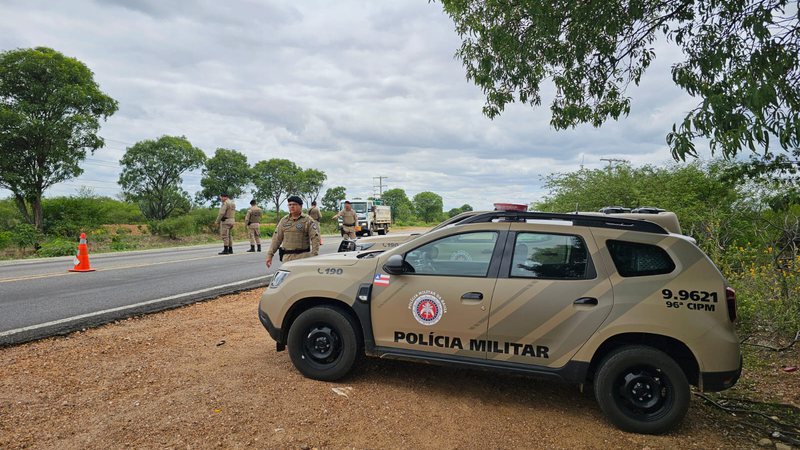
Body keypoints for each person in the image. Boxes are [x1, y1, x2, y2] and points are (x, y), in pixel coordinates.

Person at [266, 195, 321, 269]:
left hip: (303, 258)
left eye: (294, 204)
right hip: (287, 258)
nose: (291, 206)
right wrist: (270, 255)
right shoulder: (284, 221)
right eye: (289, 205)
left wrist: (314, 255)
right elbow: (276, 239)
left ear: (300, 206)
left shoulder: (307, 220)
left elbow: (315, 238)